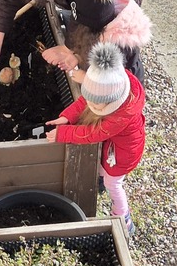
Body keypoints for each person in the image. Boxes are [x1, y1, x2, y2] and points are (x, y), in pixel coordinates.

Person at [45, 42, 145, 236]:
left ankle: (123, 218)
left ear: (111, 101)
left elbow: (93, 134)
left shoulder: (119, 117)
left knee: (113, 183)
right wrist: (68, 116)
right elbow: (85, 101)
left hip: (123, 155)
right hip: (113, 148)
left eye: (97, 103)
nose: (91, 104)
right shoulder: (109, 85)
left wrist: (62, 133)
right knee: (100, 170)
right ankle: (101, 179)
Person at [0, 0, 152, 83]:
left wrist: (69, 50)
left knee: (119, 68)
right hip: (85, 2)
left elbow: (94, 20)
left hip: (110, 12)